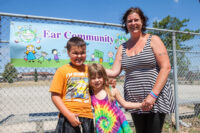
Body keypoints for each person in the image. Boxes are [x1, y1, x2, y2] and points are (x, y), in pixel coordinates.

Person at [106, 7, 175, 133]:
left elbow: (166, 67)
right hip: (134, 100)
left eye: (136, 20)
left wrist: (153, 95)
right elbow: (114, 71)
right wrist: (92, 69)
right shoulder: (122, 47)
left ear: (142, 21)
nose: (133, 23)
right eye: (129, 21)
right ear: (126, 24)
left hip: (155, 99)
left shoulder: (153, 40)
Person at [49, 37, 94, 133]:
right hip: (68, 117)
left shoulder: (89, 70)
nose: (79, 56)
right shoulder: (62, 70)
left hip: (87, 116)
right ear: (68, 53)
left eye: (82, 52)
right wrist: (68, 115)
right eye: (75, 53)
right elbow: (55, 96)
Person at [88, 63, 143, 133]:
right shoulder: (90, 94)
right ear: (89, 79)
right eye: (93, 78)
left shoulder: (112, 90)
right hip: (103, 128)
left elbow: (125, 104)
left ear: (104, 77)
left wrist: (141, 105)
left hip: (118, 127)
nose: (97, 80)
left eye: (99, 77)